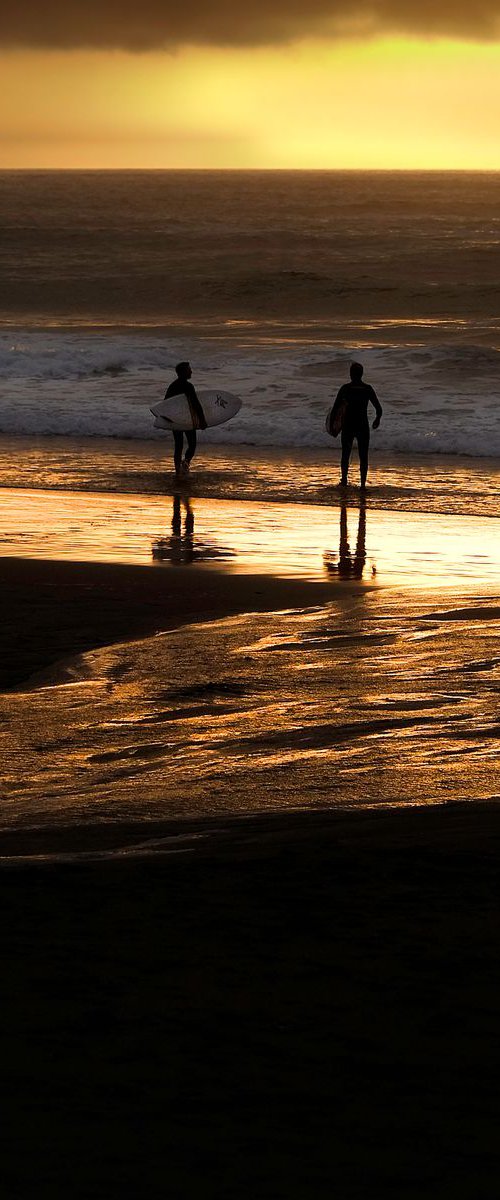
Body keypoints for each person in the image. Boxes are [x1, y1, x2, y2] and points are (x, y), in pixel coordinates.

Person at [331, 362, 382, 489]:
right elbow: (379, 409)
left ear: (350, 374)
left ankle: (344, 481)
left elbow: (335, 408)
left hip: (348, 425)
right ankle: (363, 485)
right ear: (362, 374)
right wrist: (377, 420)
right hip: (362, 425)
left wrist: (332, 424)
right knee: (363, 456)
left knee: (345, 454)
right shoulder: (367, 389)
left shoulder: (345, 389)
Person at [165, 361, 207, 479]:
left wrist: (168, 419)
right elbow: (196, 404)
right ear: (183, 372)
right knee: (192, 445)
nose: (191, 371)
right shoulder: (188, 386)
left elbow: (165, 404)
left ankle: (178, 470)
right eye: (189, 370)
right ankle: (185, 464)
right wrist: (202, 420)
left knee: (178, 445)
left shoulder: (173, 386)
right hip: (187, 419)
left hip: (175, 419)